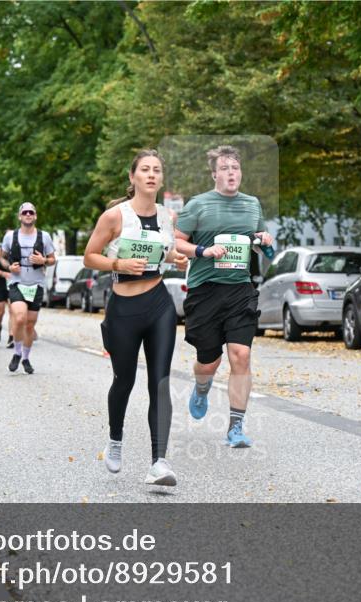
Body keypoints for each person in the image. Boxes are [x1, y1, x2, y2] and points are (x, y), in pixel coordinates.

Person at [84, 150, 188, 486]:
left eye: (157, 170)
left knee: (159, 382)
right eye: (145, 169)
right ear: (133, 177)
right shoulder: (114, 217)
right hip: (124, 309)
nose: (151, 175)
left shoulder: (167, 216)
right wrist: (118, 265)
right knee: (123, 381)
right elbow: (90, 256)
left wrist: (177, 260)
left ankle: (159, 461)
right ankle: (115, 440)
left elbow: (164, 250)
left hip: (159, 304)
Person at [174, 145, 273, 448]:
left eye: (236, 168)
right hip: (205, 291)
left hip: (240, 289)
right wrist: (203, 251)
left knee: (241, 356)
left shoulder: (252, 205)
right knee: (209, 362)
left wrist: (263, 241)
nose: (232, 173)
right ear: (214, 174)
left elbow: (257, 243)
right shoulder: (198, 205)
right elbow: (178, 243)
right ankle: (201, 387)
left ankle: (236, 427)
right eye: (225, 168)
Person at [1, 203, 56, 373]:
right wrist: (9, 267)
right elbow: (2, 258)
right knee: (19, 318)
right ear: (19, 216)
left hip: (36, 284)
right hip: (17, 283)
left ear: (35, 216)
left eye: (31, 212)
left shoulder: (44, 236)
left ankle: (25, 358)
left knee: (30, 326)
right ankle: (16, 353)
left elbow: (53, 259)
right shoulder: (10, 236)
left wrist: (44, 261)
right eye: (24, 212)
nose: (28, 215)